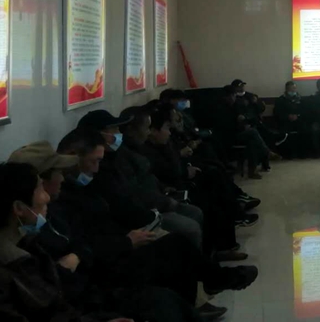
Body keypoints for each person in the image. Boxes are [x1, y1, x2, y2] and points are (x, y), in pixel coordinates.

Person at [47, 133, 259, 304]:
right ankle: (214, 281)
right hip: (106, 264)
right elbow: (84, 242)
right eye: (94, 161)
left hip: (118, 244)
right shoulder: (61, 201)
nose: (96, 168)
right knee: (177, 244)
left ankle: (207, 287)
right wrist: (126, 241)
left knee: (178, 244)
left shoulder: (85, 187)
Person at [5, 150, 209, 322]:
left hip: (95, 280)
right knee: (161, 301)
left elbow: (82, 242)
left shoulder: (47, 221)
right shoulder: (19, 257)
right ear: (19, 208)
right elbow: (54, 302)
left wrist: (78, 256)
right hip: (95, 284)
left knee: (172, 262)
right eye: (40, 188)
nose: (47, 196)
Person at [77, 110, 205, 252]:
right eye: (114, 130)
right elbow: (127, 199)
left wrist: (162, 189)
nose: (119, 134)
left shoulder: (118, 154)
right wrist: (156, 212)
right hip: (142, 215)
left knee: (195, 212)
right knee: (190, 229)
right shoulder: (103, 167)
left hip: (150, 206)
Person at [143, 106, 255, 259]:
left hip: (182, 180)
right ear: (153, 131)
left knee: (216, 178)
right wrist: (184, 170)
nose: (169, 132)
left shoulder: (164, 144)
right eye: (167, 128)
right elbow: (168, 171)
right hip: (175, 189)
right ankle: (218, 248)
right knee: (210, 201)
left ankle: (233, 219)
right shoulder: (148, 151)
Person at [212, 85, 271, 179]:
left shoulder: (237, 104)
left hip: (240, 132)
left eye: (234, 95)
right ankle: (267, 153)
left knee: (252, 141)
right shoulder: (220, 108)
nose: (233, 98)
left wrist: (245, 121)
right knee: (253, 133)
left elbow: (248, 115)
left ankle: (253, 170)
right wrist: (241, 126)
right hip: (228, 136)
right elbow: (225, 126)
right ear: (226, 97)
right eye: (231, 96)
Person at [274, 81, 309, 158]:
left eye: (294, 89)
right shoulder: (280, 100)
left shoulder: (300, 99)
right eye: (291, 89)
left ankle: (302, 153)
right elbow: (277, 112)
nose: (293, 91)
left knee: (304, 130)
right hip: (285, 121)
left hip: (298, 120)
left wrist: (298, 116)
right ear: (286, 89)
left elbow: (305, 111)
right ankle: (288, 154)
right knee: (285, 132)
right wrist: (287, 116)